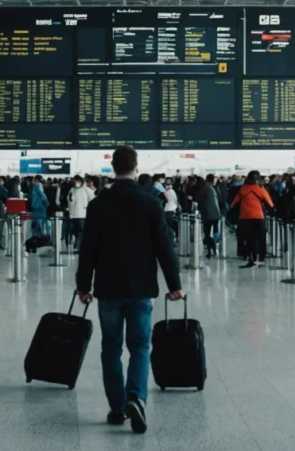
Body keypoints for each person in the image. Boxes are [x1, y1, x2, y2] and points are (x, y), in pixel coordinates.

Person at [76, 146, 183, 433]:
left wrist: (83, 286)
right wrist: (175, 285)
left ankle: (117, 406)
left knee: (111, 347)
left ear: (113, 167)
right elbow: (164, 247)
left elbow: (88, 250)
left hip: (108, 288)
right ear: (136, 168)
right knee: (139, 346)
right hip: (140, 288)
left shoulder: (99, 203)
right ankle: (136, 396)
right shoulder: (149, 202)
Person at [230, 171, 272, 268]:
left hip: (245, 217)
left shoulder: (243, 189)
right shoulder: (261, 189)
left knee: (249, 239)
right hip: (258, 216)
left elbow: (233, 203)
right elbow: (270, 203)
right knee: (261, 237)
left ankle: (251, 258)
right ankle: (261, 257)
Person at [193, 175, 222, 258]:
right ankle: (214, 249)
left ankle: (210, 250)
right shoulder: (212, 188)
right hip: (216, 214)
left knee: (207, 233)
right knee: (213, 232)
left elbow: (198, 199)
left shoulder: (203, 189)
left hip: (208, 214)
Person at [67, 175, 93, 249]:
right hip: (75, 215)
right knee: (77, 232)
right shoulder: (73, 189)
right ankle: (78, 246)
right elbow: (70, 201)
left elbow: (92, 199)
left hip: (81, 215)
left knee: (80, 232)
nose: (74, 182)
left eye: (76, 180)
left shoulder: (85, 189)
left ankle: (79, 246)